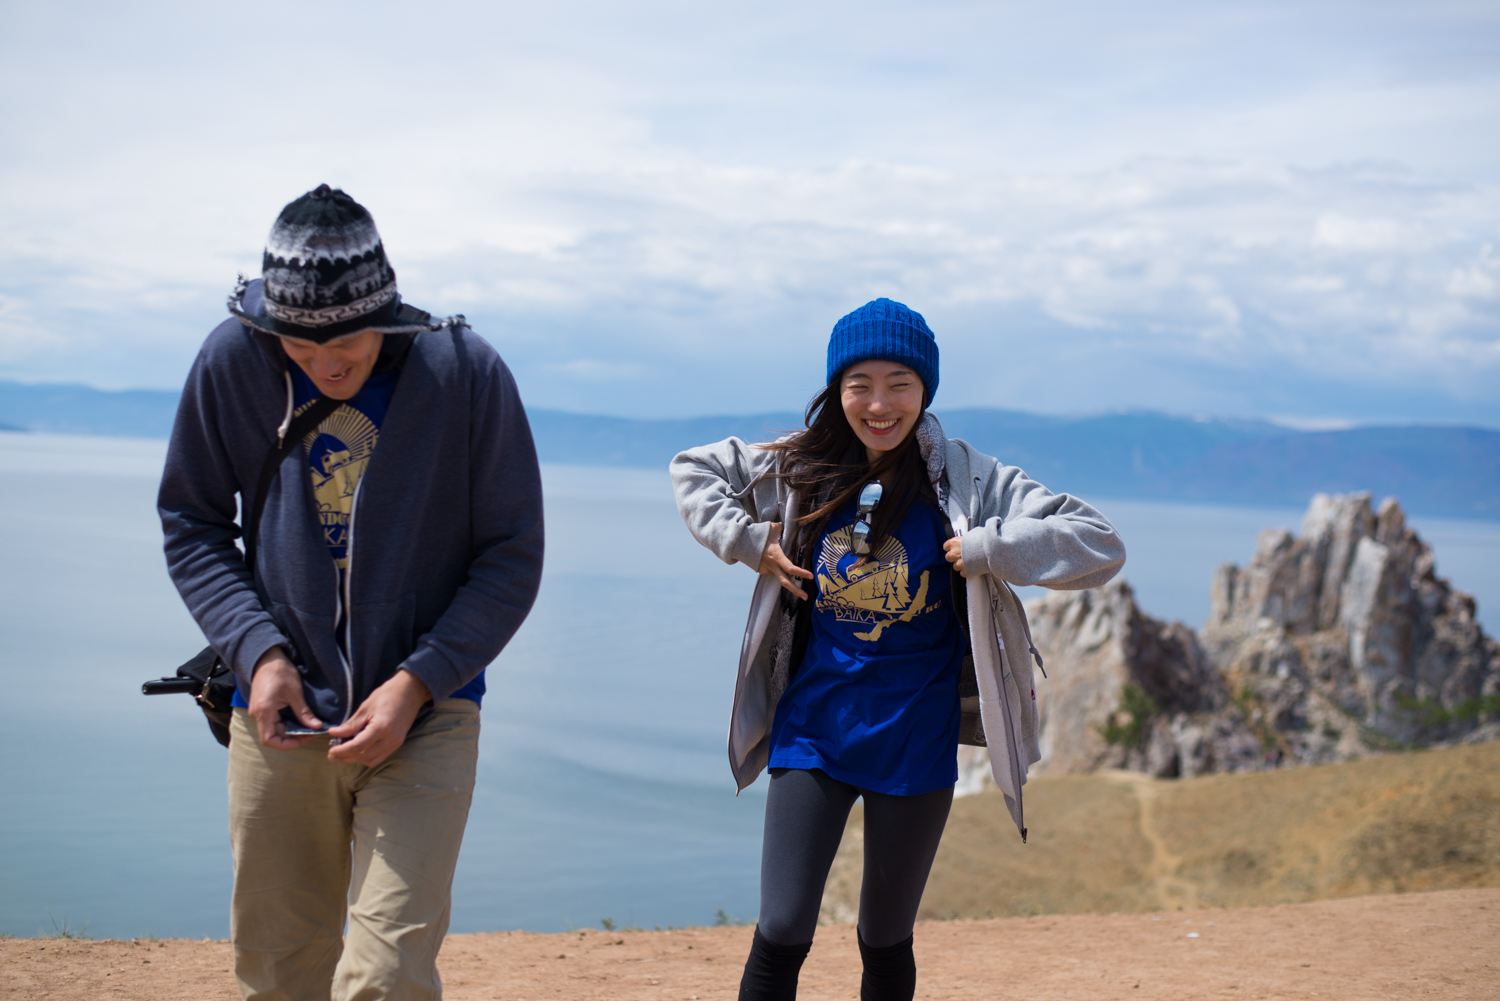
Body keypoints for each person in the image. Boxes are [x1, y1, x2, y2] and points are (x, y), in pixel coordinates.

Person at [670, 298, 1125, 1001]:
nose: (879, 404)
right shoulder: (803, 467)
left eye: (899, 384)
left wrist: (992, 547)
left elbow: (1099, 545)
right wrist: (747, 539)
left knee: (884, 938)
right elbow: (693, 469)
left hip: (915, 738)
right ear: (837, 390)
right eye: (860, 384)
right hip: (814, 729)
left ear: (925, 390)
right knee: (782, 927)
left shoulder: (969, 481)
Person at [158, 184, 544, 1001]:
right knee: (279, 971)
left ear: (387, 313)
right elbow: (191, 522)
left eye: (346, 343)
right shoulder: (232, 360)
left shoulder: (465, 374)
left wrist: (419, 680)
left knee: (388, 976)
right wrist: (259, 654)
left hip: (427, 712)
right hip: (278, 714)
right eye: (300, 347)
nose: (326, 365)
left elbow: (512, 554)